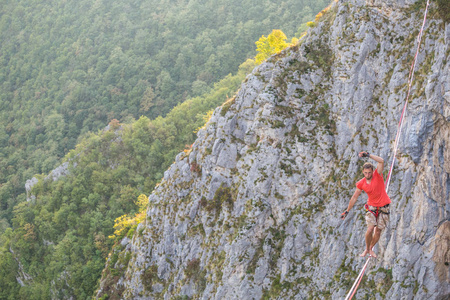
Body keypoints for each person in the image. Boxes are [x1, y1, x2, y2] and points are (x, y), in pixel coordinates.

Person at [341, 151, 391, 258]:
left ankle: (370, 249)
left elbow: (381, 161)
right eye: (366, 173)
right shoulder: (361, 183)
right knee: (370, 229)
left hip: (384, 207)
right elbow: (354, 197)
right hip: (372, 207)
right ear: (363, 172)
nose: (368, 175)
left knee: (377, 232)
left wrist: (368, 155)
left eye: (369, 172)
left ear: (372, 171)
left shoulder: (378, 175)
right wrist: (347, 210)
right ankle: (367, 248)